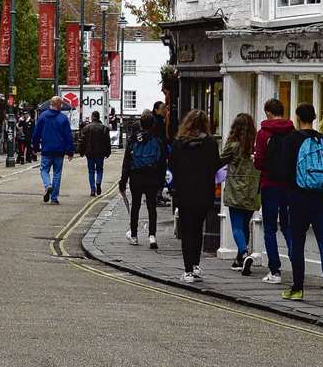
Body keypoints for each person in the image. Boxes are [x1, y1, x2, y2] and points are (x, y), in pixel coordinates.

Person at [267, 103, 323, 307]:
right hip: (322, 198)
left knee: (298, 243)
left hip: (298, 199)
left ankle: (298, 288)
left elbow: (282, 172)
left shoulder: (291, 140)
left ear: (298, 118)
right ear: (314, 117)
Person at [170, 111, 221, 283]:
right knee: (198, 229)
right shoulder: (210, 143)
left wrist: (172, 190)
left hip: (184, 193)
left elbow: (172, 168)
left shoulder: (179, 143)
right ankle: (196, 265)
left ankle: (188, 270)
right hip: (203, 193)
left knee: (187, 231)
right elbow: (215, 166)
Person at [252, 97, 294, 285]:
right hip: (288, 185)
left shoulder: (263, 134)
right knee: (288, 226)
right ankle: (296, 263)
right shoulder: (292, 131)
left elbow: (259, 162)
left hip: (269, 184)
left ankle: (275, 271)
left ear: (268, 112)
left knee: (269, 228)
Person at [220, 113, 261, 274]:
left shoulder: (233, 146)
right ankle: (239, 260)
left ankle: (244, 254)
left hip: (236, 190)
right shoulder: (256, 146)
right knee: (245, 225)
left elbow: (220, 160)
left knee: (237, 226)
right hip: (252, 190)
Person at [119, 110, 167, 248]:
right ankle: (152, 236)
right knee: (152, 206)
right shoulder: (157, 140)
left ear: (141, 124)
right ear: (153, 124)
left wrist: (123, 180)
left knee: (136, 206)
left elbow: (127, 162)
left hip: (136, 176)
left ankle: (134, 235)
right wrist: (161, 180)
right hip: (152, 176)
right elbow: (162, 162)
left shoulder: (134, 139)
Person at [31, 97, 75, 204]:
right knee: (57, 173)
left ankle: (47, 185)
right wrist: (70, 151)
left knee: (44, 170)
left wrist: (35, 147)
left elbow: (36, 133)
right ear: (59, 105)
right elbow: (68, 136)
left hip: (46, 149)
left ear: (50, 104)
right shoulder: (63, 118)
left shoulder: (43, 116)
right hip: (59, 150)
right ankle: (54, 198)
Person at [79, 111, 111, 196]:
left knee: (91, 171)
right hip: (100, 153)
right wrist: (108, 152)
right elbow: (108, 142)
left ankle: (93, 190)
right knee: (99, 170)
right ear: (99, 117)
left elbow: (82, 141)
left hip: (89, 153)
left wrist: (81, 151)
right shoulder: (104, 128)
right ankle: (98, 182)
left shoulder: (86, 128)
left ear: (92, 117)